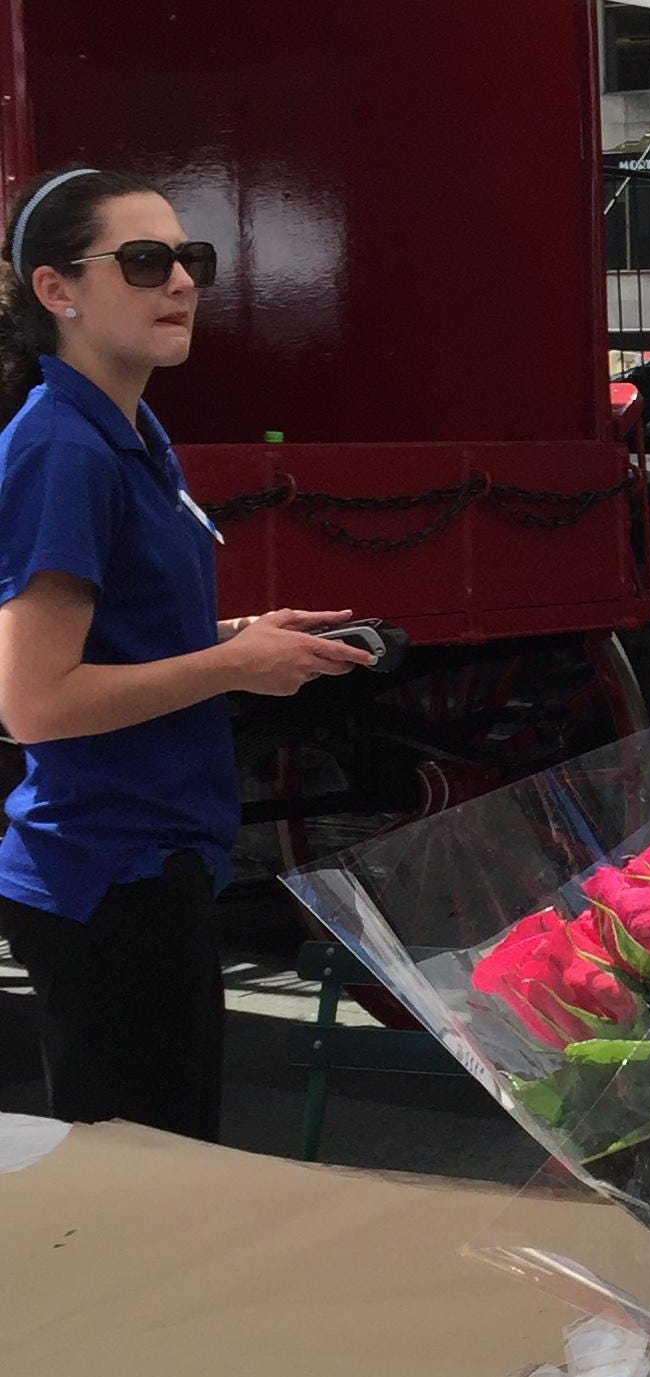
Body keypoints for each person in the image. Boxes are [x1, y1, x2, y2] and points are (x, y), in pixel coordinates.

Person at [0, 168, 374, 1141]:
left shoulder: (126, 430)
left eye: (190, 260)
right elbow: (34, 702)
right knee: (149, 1194)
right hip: (106, 872)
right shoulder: (63, 449)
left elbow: (114, 638)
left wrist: (239, 639)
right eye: (145, 260)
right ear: (58, 290)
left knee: (163, 1175)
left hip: (144, 863)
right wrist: (231, 666)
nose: (181, 283)